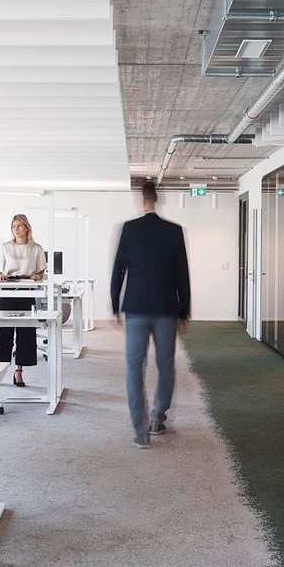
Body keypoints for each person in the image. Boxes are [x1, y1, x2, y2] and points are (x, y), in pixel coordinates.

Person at [111, 179, 191, 449]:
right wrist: (185, 311)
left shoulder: (129, 229)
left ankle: (140, 431)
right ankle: (158, 418)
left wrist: (114, 304)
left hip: (135, 306)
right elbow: (182, 274)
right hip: (166, 308)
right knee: (165, 363)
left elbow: (118, 270)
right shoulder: (174, 231)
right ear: (158, 199)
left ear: (141, 200)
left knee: (134, 366)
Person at [0, 213, 47, 388]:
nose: (16, 229)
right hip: (8, 289)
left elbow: (41, 271)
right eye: (13, 226)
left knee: (25, 332)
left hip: (27, 289)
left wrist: (37, 276)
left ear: (26, 228)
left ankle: (19, 372)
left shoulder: (36, 248)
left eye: (19, 226)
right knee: (3, 331)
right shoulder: (5, 247)